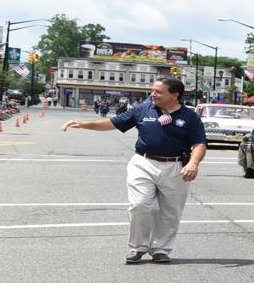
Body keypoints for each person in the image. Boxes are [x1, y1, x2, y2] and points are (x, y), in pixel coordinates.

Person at [61, 78, 207, 265]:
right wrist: (82, 124)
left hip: (175, 167)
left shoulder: (190, 116)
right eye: (152, 90)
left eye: (158, 91)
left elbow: (199, 143)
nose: (153, 94)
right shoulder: (142, 110)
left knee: (170, 211)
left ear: (174, 95)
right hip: (143, 163)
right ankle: (137, 247)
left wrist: (193, 163)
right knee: (140, 205)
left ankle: (160, 249)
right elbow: (112, 123)